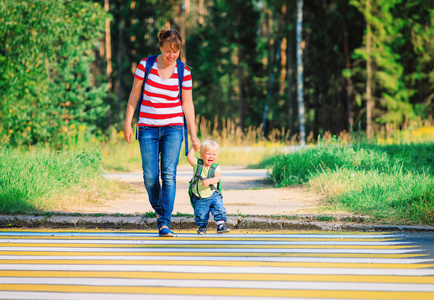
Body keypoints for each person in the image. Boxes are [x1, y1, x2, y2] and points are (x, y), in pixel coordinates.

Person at [124, 29, 200, 237]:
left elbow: (188, 104)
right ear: (161, 47)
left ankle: (164, 222)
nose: (172, 55)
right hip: (147, 127)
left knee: (169, 174)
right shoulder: (145, 65)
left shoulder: (184, 72)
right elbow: (134, 95)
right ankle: (160, 211)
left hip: (174, 128)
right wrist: (128, 123)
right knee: (150, 176)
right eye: (168, 51)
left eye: (175, 52)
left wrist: (193, 135)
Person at [187, 140, 230, 235]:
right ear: (202, 154)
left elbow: (217, 178)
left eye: (214, 154)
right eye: (208, 154)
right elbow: (190, 158)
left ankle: (221, 225)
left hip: (213, 194)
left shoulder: (216, 167)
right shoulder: (197, 164)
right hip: (199, 196)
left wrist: (209, 181)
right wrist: (193, 149)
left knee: (219, 208)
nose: (211, 156)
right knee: (200, 213)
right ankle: (202, 227)